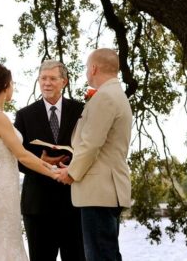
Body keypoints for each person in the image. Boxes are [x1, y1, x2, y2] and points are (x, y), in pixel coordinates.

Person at [0, 63, 63, 261]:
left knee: (4, 237)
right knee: (2, 240)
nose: (13, 87)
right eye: (12, 83)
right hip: (3, 186)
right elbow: (21, 155)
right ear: (5, 86)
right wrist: (54, 172)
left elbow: (16, 154)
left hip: (1, 182)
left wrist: (44, 162)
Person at [56, 48, 132, 261]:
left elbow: (91, 144)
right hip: (107, 189)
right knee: (107, 254)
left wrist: (71, 174)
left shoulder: (105, 98)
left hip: (99, 192)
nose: (86, 73)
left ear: (94, 68)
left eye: (86, 68)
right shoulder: (116, 95)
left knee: (100, 256)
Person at [14, 60, 86, 261]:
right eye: (43, 78)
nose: (47, 83)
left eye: (53, 78)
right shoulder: (24, 115)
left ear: (64, 82)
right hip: (38, 207)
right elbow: (16, 158)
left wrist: (75, 165)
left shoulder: (82, 110)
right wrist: (40, 161)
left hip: (74, 204)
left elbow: (92, 148)